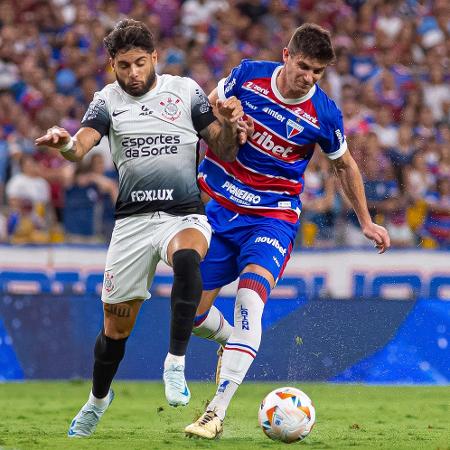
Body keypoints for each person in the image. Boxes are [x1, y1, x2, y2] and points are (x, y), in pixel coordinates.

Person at [35, 18, 244, 438]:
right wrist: (63, 143)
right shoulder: (107, 100)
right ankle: (98, 400)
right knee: (115, 332)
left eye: (139, 63)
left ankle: (175, 363)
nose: (132, 73)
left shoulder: (185, 91)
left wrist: (229, 127)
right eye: (124, 65)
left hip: (183, 215)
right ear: (112, 64)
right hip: (131, 225)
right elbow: (81, 146)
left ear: (154, 59)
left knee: (188, 259)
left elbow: (223, 147)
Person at [185, 23, 391, 439]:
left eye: (318, 71)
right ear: (286, 55)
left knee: (250, 299)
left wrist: (366, 220)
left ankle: (215, 412)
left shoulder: (324, 113)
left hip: (272, 217)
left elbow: (344, 165)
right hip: (220, 209)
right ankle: (233, 339)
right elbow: (203, 111)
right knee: (190, 315)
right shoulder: (247, 76)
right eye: (304, 67)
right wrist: (223, 123)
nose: (309, 78)